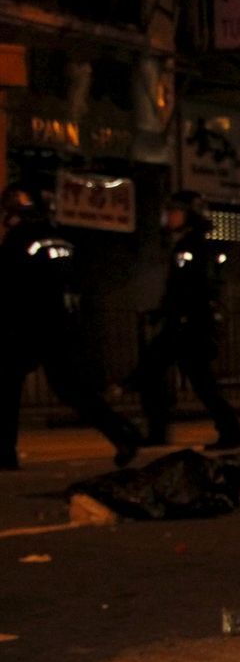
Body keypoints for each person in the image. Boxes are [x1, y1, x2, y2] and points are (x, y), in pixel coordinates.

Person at [0, 183, 142, 470]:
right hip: (61, 324)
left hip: (25, 325)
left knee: (6, 388)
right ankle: (122, 432)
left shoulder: (18, 240)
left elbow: (8, 285)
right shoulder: (62, 239)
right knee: (72, 389)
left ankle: (5, 453)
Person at [130, 190, 240, 452]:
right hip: (183, 323)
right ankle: (162, 428)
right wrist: (162, 312)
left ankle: (229, 430)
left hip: (190, 325)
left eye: (176, 212)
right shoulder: (185, 244)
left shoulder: (194, 246)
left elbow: (193, 288)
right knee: (166, 372)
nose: (171, 217)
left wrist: (176, 313)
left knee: (187, 377)